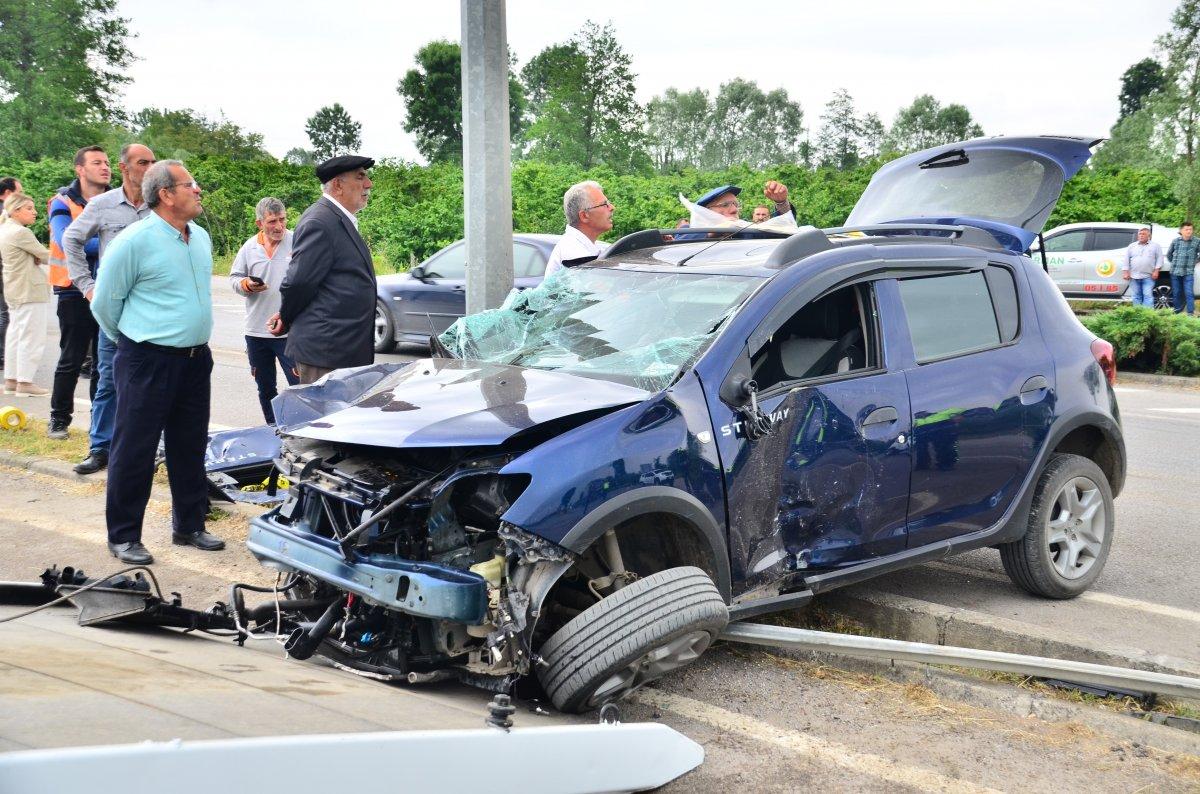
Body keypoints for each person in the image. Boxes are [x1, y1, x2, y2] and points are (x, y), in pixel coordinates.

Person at [91, 160, 223, 565]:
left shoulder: (198, 236)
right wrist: (137, 346)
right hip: (147, 359)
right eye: (190, 184)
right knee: (135, 448)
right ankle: (125, 535)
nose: (198, 190)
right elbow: (104, 305)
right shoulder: (134, 241)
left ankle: (189, 525)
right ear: (166, 194)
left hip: (195, 359)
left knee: (189, 445)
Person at [63, 143, 155, 475]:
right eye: (142, 162)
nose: (149, 168)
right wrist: (87, 285)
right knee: (108, 380)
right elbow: (71, 239)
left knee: (152, 380)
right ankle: (100, 448)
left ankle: (146, 447)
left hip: (153, 309)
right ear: (124, 167)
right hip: (114, 310)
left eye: (153, 162)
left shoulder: (161, 205)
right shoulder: (103, 205)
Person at [271, 155, 376, 384]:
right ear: (338, 185)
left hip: (341, 350)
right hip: (326, 354)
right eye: (360, 177)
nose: (368, 184)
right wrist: (286, 317)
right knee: (326, 419)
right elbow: (298, 282)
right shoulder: (320, 222)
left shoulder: (338, 218)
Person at [46, 146, 109, 440]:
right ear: (80, 169)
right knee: (71, 359)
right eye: (97, 162)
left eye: (107, 162)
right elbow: (67, 240)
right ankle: (58, 420)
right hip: (73, 290)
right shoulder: (62, 202)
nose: (105, 167)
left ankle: (99, 424)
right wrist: (109, 241)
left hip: (108, 290)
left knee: (103, 362)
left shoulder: (114, 201)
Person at [231, 196, 298, 424]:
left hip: (289, 331)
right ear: (260, 223)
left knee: (300, 388)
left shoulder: (297, 241)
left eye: (282, 219)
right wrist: (246, 285)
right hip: (256, 333)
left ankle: (302, 431)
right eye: (272, 222)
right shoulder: (249, 247)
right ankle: (273, 429)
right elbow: (234, 279)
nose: (279, 226)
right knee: (265, 388)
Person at [0, 193, 51, 396]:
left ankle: (12, 379)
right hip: (29, 290)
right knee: (32, 337)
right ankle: (25, 381)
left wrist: (35, 257)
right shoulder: (21, 233)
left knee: (16, 335)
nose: (34, 212)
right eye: (29, 208)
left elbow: (35, 255)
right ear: (16, 210)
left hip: (14, 289)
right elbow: (46, 256)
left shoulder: (4, 229)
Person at [545, 180, 614, 277]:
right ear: (584, 216)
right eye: (604, 204)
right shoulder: (575, 254)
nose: (612, 207)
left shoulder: (588, 247)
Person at [0, 176, 23, 373]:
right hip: (8, 271)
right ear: (7, 194)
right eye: (19, 192)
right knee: (6, 315)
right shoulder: (6, 215)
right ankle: (3, 356)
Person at [1121, 226, 1164, 308]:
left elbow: (1160, 259)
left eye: (1143, 234)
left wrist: (1156, 270)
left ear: (1149, 236)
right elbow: (1126, 259)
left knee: (1147, 295)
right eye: (1140, 234)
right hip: (1133, 276)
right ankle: (1138, 315)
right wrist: (1125, 272)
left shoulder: (1155, 246)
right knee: (1136, 295)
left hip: (1148, 276)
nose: (1141, 235)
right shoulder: (1132, 246)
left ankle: (1147, 316)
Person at [1166, 221, 1198, 316]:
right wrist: (1175, 263)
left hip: (1188, 272)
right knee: (1176, 293)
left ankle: (1190, 313)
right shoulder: (1175, 241)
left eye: (1190, 229)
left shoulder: (1197, 241)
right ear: (1181, 230)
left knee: (1189, 293)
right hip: (1175, 272)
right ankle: (1177, 312)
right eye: (1186, 229)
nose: (1189, 231)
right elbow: (1169, 254)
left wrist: (1195, 261)